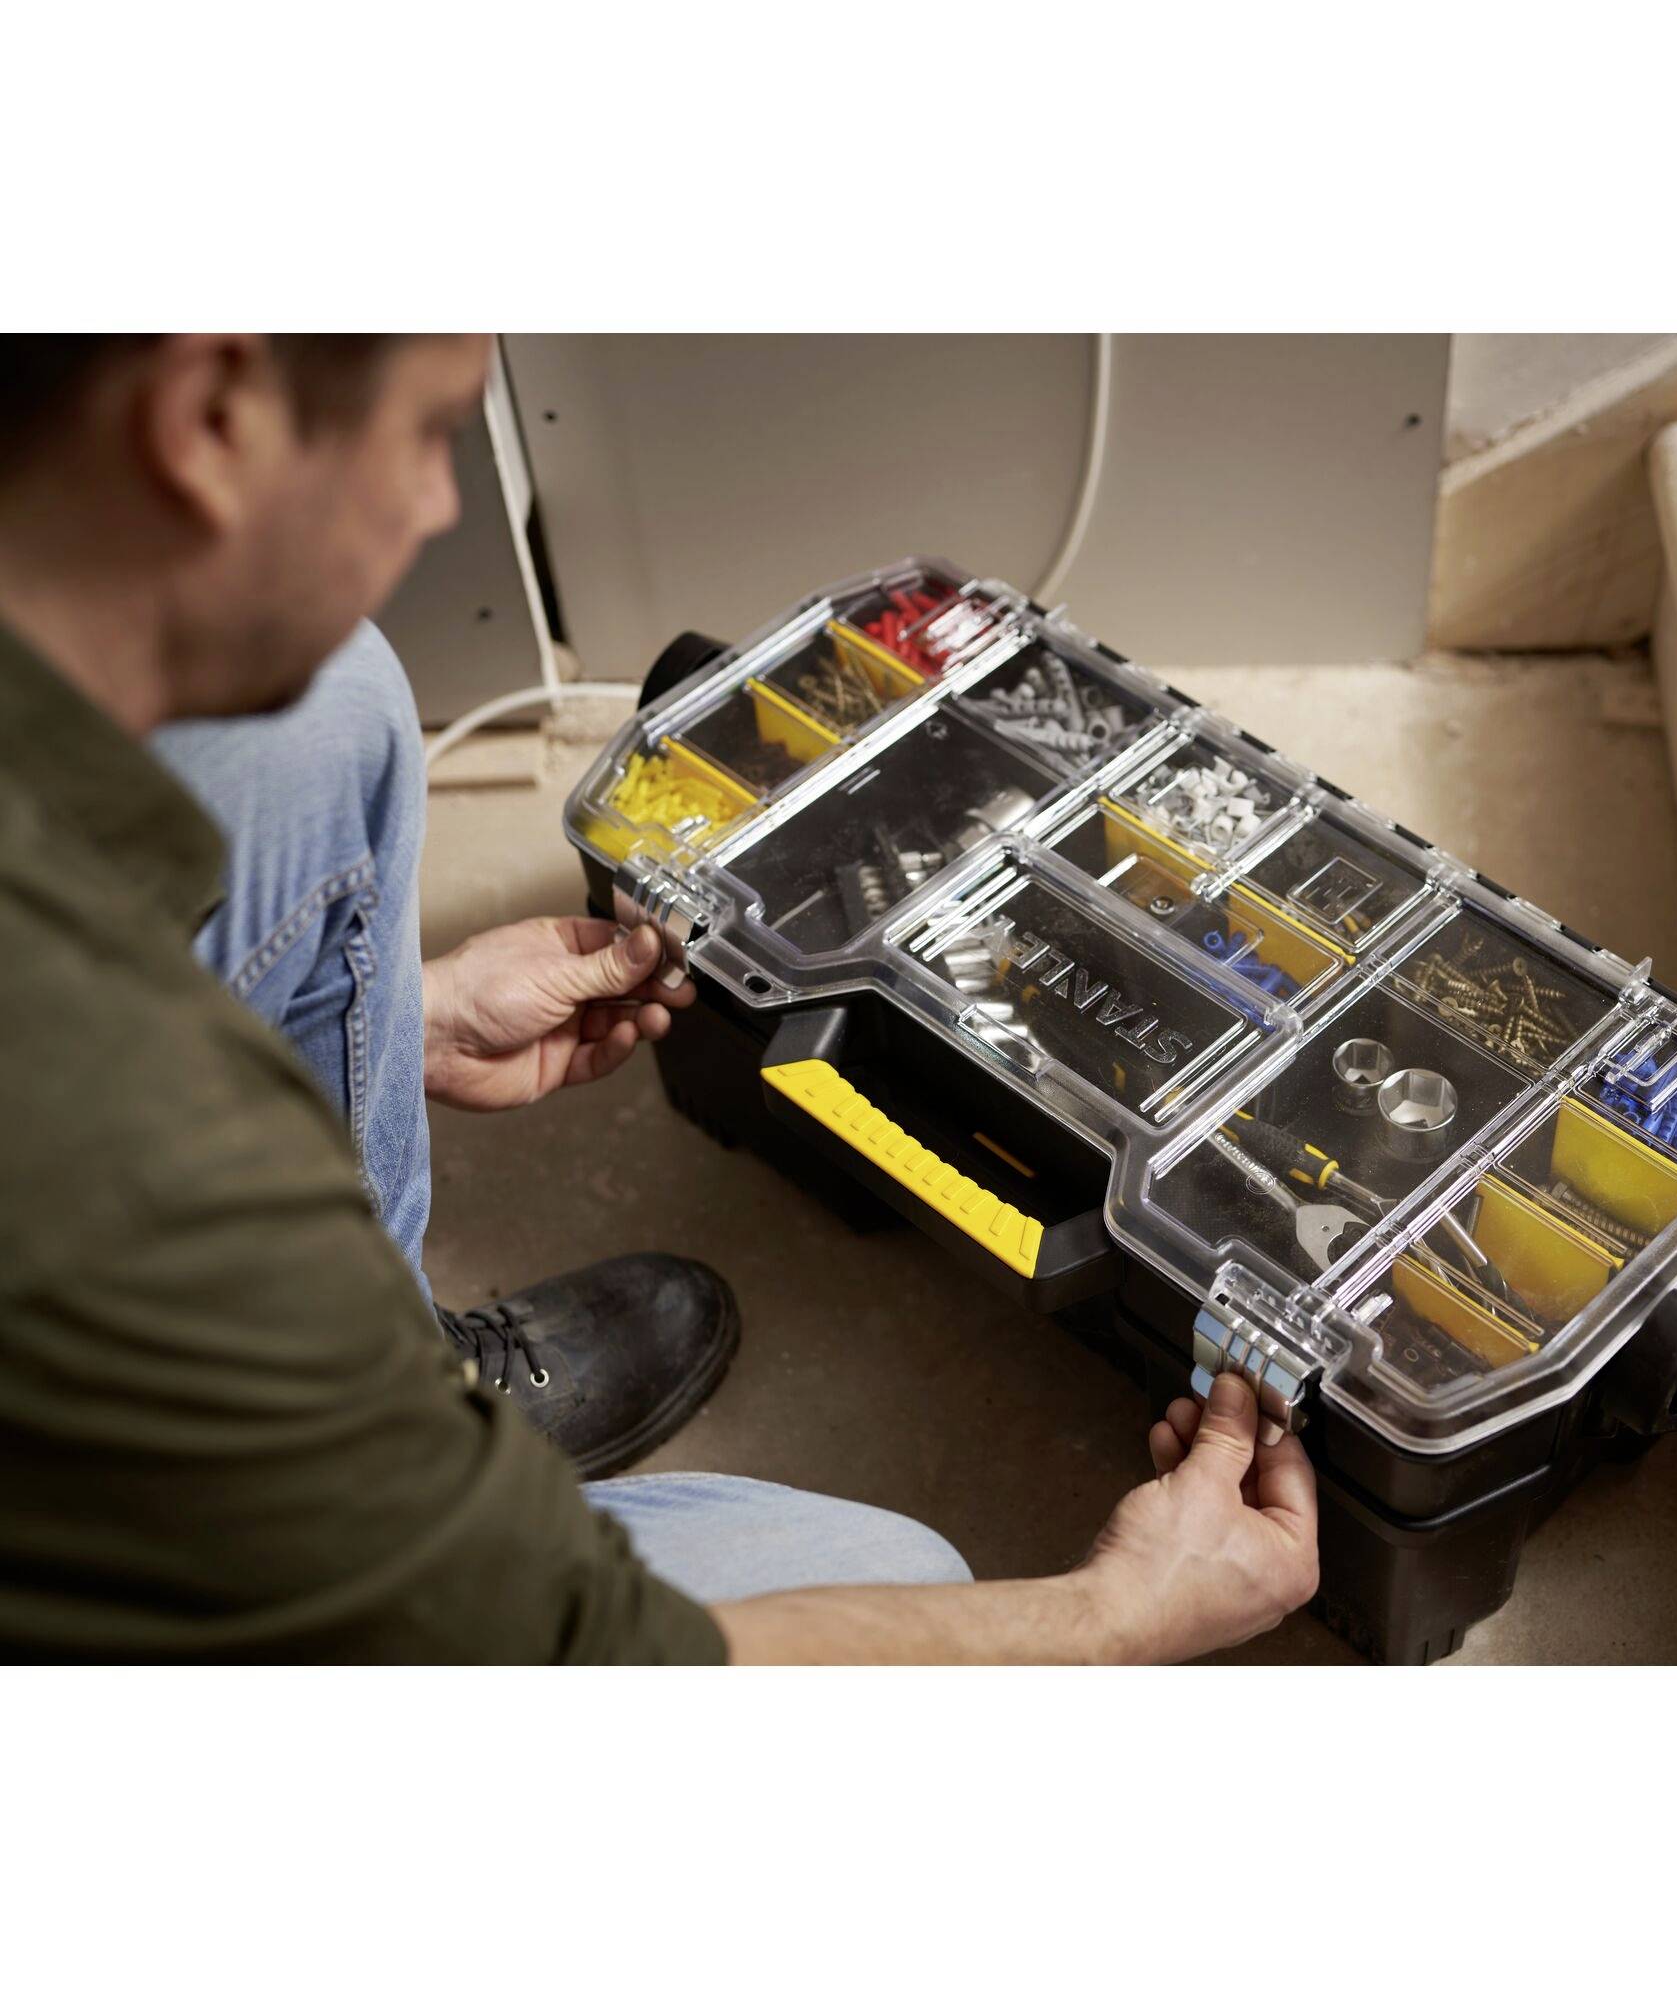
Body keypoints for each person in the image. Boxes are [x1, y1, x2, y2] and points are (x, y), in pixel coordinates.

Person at [0, 333, 1319, 1663]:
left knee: (318, 713)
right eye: (427, 433)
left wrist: (403, 1009)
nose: (441, 503)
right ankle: (391, 1424)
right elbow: (607, 1662)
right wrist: (1115, 1614)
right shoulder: (135, 1183)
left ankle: (402, 1371)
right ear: (207, 419)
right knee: (905, 1575)